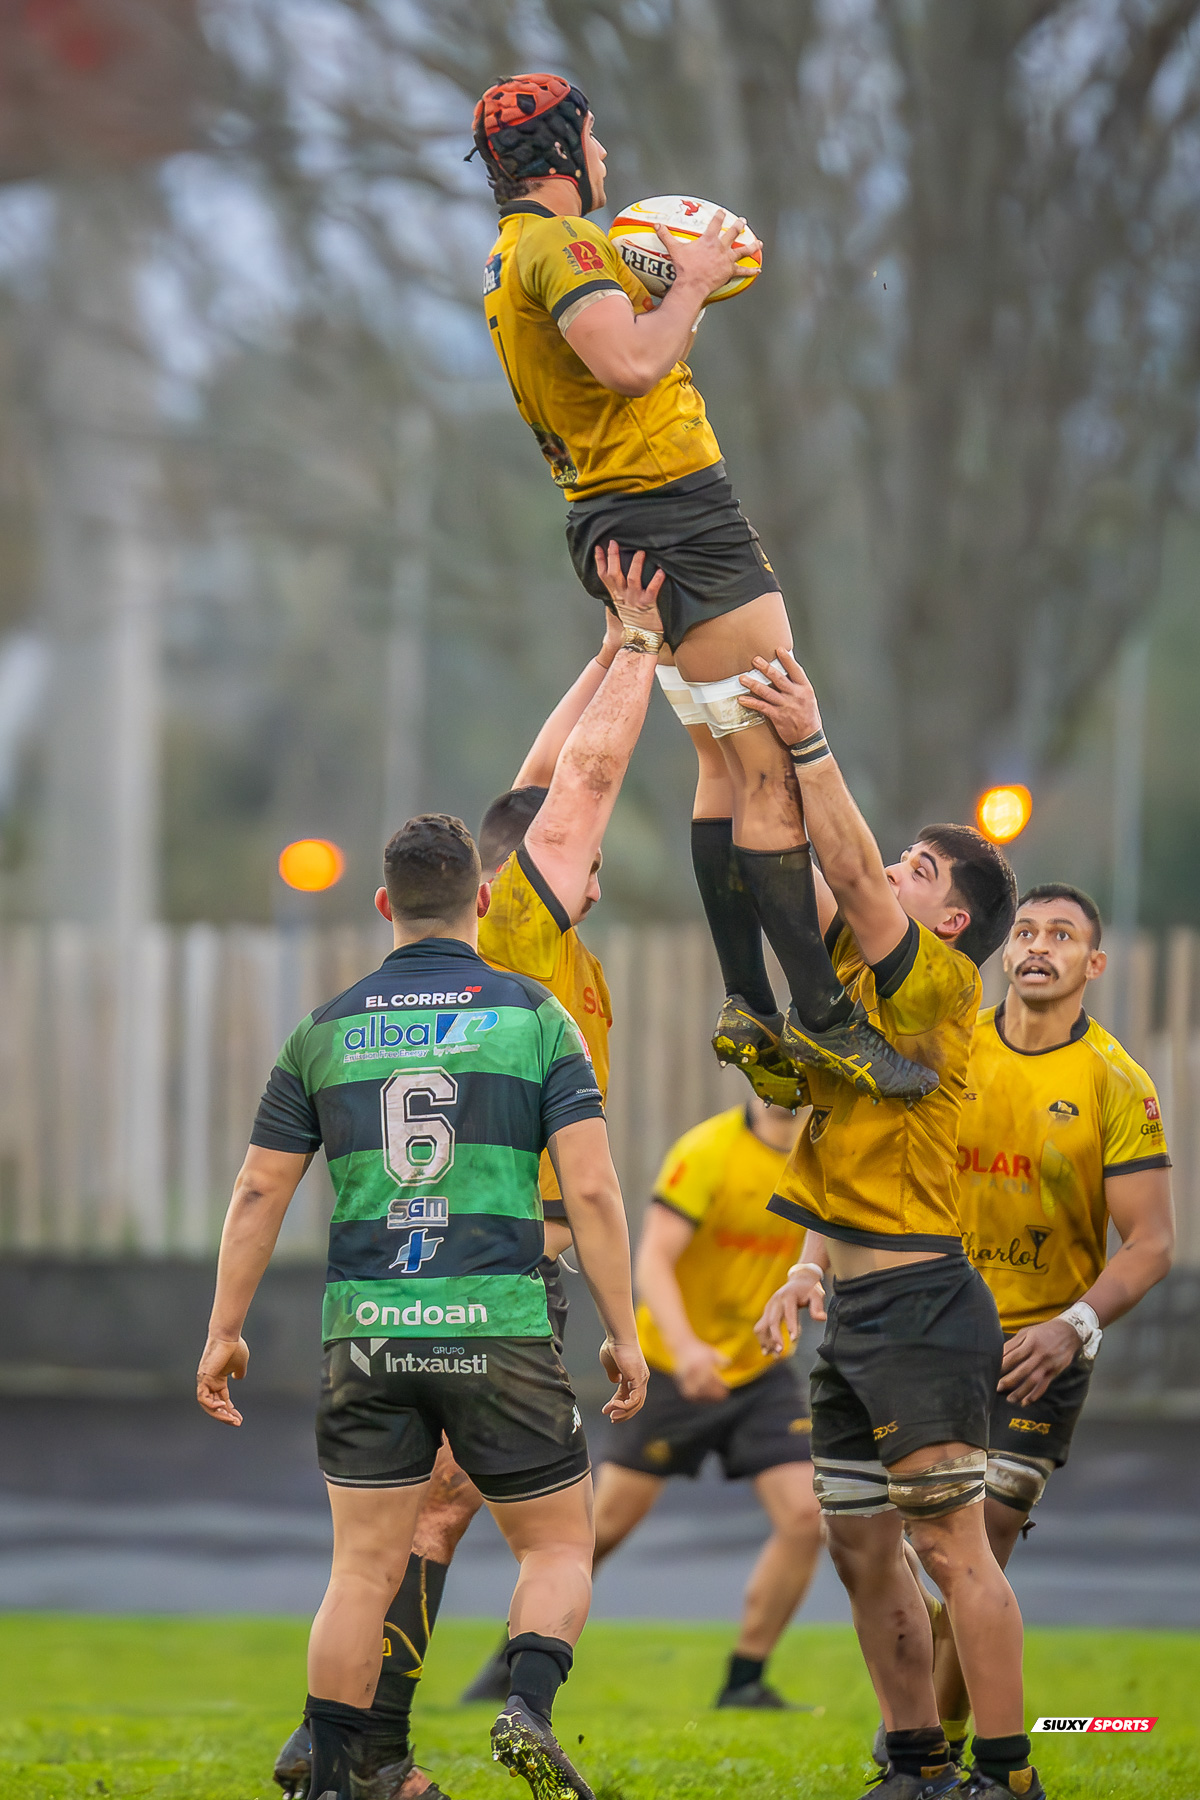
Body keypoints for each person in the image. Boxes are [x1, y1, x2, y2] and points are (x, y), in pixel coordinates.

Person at [272, 556, 666, 1799]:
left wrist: (603, 648)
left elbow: (541, 783)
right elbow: (584, 782)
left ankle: (347, 1750)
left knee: (423, 1521)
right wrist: (649, 649)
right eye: (572, 857)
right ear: (517, 880)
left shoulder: (507, 931)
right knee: (540, 1527)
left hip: (402, 1285)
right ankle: (462, 1719)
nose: (589, 867)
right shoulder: (528, 940)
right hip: (511, 1276)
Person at [471, 71, 935, 1107]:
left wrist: (676, 302)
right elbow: (633, 367)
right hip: (677, 521)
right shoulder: (565, 244)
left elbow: (617, 368)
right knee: (770, 769)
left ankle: (747, 1002)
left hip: (627, 517)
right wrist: (693, 277)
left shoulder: (514, 256)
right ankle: (823, 1020)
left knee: (725, 774)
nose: (604, 158)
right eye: (593, 139)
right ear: (563, 150)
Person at [197, 813, 649, 1800]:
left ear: (382, 905)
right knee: (561, 1542)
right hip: (498, 1323)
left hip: (369, 1329)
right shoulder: (536, 1018)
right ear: (482, 901)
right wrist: (624, 1331)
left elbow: (258, 1191)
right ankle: (527, 1699)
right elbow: (597, 1192)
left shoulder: (324, 1029)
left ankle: (330, 1776)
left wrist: (224, 1329)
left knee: (362, 1569)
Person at [743, 651, 1040, 1800]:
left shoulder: (940, 988)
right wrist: (732, 727)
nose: (892, 878)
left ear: (950, 916)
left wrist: (810, 740)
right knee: (864, 1549)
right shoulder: (864, 996)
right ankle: (914, 1765)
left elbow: (851, 871)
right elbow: (797, 868)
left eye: (921, 871)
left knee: (950, 1547)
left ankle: (1005, 1774)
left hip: (923, 1306)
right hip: (853, 1308)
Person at [925, 883, 1175, 1778]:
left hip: (1041, 1349)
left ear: (1091, 965)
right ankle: (925, 1743)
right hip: (933, 1332)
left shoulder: (1116, 1082)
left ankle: (950, 1754)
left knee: (981, 1535)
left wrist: (1073, 1328)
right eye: (1024, 931)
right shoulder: (952, 1051)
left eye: (1061, 935)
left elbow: (1151, 1244)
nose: (1037, 946)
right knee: (913, 1554)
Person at [590, 1094, 823, 1708]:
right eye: (764, 1066)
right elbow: (655, 1261)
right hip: (673, 1365)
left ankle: (744, 1683)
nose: (779, 1082)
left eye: (792, 1067)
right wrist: (689, 1348)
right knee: (600, 1529)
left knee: (807, 1518)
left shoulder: (822, 1157)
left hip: (760, 1367)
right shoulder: (708, 1151)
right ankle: (519, 1657)